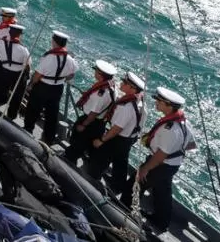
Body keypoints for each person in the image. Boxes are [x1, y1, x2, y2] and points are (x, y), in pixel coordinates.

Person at [121, 87, 195, 233]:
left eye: (159, 101)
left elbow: (161, 155)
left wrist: (145, 169)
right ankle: (161, 222)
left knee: (135, 184)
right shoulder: (184, 122)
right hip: (172, 165)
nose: (156, 102)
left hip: (160, 164)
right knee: (163, 193)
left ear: (169, 105)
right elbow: (190, 144)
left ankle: (123, 210)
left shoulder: (170, 129)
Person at [88, 71, 145, 194]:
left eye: (125, 83)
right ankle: (117, 186)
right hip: (129, 138)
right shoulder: (140, 103)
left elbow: (117, 128)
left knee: (100, 158)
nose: (121, 83)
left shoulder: (126, 107)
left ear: (133, 88)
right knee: (121, 162)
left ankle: (91, 181)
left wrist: (102, 140)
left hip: (118, 138)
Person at [23, 30, 78, 144]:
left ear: (54, 41)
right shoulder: (70, 59)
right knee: (52, 114)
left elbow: (37, 75)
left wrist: (31, 85)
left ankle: (27, 131)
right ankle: (48, 138)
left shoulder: (49, 57)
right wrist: (62, 79)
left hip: (43, 87)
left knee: (33, 110)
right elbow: (72, 73)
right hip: (57, 88)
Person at [64, 60, 117, 164]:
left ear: (100, 75)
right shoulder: (112, 88)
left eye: (96, 71)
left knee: (77, 143)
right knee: (86, 145)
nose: (95, 73)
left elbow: (94, 113)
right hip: (100, 124)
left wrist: (83, 125)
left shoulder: (100, 93)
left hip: (91, 122)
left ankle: (68, 161)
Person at [0, 23, 31, 118]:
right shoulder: (24, 49)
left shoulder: (0, 42)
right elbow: (28, 65)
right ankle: (11, 115)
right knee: (17, 95)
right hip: (18, 75)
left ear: (9, 32)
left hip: (5, 72)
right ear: (19, 35)